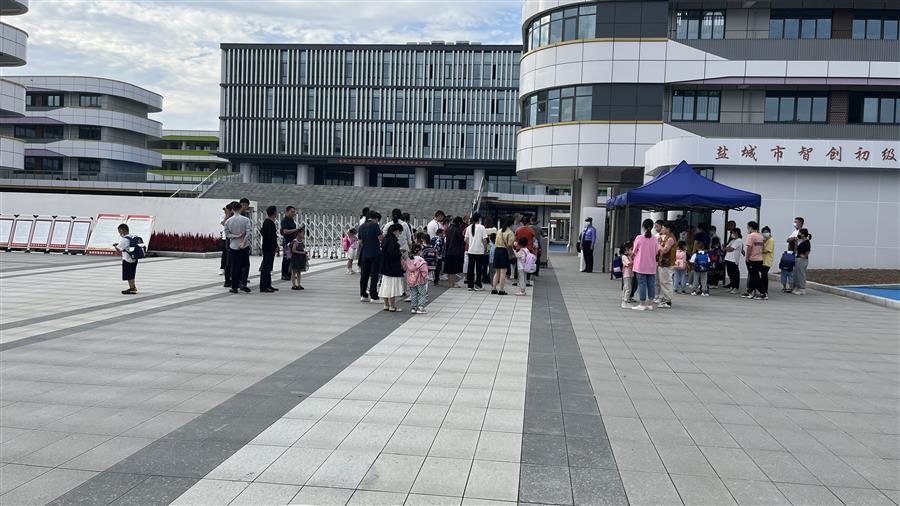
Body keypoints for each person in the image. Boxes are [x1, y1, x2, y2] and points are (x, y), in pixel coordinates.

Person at [224, 201, 252, 293]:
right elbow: (248, 232)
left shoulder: (228, 221)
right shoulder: (246, 219)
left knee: (234, 266)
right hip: (244, 245)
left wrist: (236, 236)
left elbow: (227, 234)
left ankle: (234, 287)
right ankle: (243, 283)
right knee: (246, 265)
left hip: (233, 245)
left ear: (232, 209)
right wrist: (243, 242)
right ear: (240, 208)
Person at [632, 219, 659, 311]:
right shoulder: (655, 238)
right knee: (651, 284)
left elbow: (634, 251)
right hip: (651, 265)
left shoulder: (639, 238)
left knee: (642, 284)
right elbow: (656, 251)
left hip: (640, 265)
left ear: (643, 226)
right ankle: (650, 304)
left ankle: (642, 304)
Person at [357, 211, 383, 302]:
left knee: (364, 275)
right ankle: (374, 296)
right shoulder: (375, 225)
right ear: (376, 219)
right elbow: (380, 238)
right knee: (374, 275)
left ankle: (363, 295)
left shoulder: (361, 227)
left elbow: (360, 242)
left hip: (365, 253)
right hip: (375, 253)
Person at [380, 223, 405, 311]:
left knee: (385, 286)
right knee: (392, 286)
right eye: (400, 232)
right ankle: (392, 306)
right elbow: (392, 253)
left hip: (385, 267)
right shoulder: (392, 240)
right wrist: (400, 253)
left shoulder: (386, 238)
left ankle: (386, 305)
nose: (400, 234)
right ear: (396, 231)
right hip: (392, 267)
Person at [463, 212, 489, 291]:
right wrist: (485, 249)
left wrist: (471, 244)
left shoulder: (468, 227)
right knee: (478, 268)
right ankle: (478, 284)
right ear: (479, 219)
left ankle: (470, 285)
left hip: (471, 251)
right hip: (479, 251)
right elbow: (484, 240)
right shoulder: (482, 227)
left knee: (470, 268)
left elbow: (465, 239)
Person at [404, 243, 430, 314]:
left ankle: (413, 308)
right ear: (419, 251)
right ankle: (420, 307)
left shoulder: (409, 260)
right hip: (420, 280)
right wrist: (426, 277)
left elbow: (405, 268)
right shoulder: (421, 260)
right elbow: (424, 271)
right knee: (422, 293)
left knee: (413, 294)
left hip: (411, 280)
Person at [492, 216, 515, 295]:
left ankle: (494, 288)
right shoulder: (510, 233)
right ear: (511, 224)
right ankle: (501, 290)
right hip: (504, 252)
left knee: (497, 272)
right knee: (503, 272)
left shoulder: (499, 230)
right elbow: (510, 245)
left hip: (497, 251)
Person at [656, 222, 676, 308]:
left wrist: (659, 244)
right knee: (664, 281)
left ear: (668, 229)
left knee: (666, 282)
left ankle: (667, 301)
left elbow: (665, 250)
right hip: (664, 263)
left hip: (666, 264)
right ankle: (665, 299)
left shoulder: (670, 239)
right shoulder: (667, 238)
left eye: (663, 228)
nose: (662, 229)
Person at [742, 221, 765, 299]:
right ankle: (749, 292)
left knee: (755, 277)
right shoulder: (760, 236)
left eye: (748, 227)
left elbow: (749, 248)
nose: (747, 229)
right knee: (753, 276)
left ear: (750, 227)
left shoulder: (751, 236)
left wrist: (747, 258)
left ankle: (763, 293)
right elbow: (762, 247)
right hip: (760, 259)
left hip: (752, 259)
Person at [259, 206, 279, 293]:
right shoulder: (268, 222)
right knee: (266, 267)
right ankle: (263, 286)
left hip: (269, 247)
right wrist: (275, 245)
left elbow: (263, 232)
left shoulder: (269, 222)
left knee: (269, 266)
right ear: (274, 213)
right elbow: (271, 237)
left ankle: (268, 284)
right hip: (268, 248)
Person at [115, 223, 138, 294]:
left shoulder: (125, 239)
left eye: (119, 231)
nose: (119, 233)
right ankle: (133, 287)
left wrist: (115, 246)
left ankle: (132, 289)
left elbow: (119, 249)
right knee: (132, 274)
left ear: (122, 230)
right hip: (134, 258)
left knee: (128, 275)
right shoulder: (133, 236)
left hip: (127, 259)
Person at [443, 216, 465, 288]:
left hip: (448, 251)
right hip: (455, 252)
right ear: (459, 222)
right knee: (453, 269)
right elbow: (461, 239)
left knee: (449, 269)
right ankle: (453, 283)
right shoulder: (457, 229)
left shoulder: (449, 228)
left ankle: (450, 283)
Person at [280, 206, 300, 281]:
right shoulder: (284, 221)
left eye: (294, 212)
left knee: (291, 258)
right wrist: (296, 230)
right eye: (292, 212)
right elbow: (285, 231)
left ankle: (289, 274)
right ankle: (284, 274)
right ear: (287, 212)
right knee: (286, 258)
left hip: (293, 241)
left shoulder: (292, 220)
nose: (293, 213)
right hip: (287, 242)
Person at [724, 228, 743, 294]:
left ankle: (736, 288)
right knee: (730, 274)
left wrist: (726, 248)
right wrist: (726, 248)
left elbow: (731, 249)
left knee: (735, 274)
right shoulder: (732, 241)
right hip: (728, 259)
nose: (731, 234)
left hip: (733, 260)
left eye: (732, 233)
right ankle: (732, 286)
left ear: (736, 233)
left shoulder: (739, 240)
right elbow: (726, 248)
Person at [759, 226, 775, 300]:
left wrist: (760, 250)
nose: (765, 233)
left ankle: (765, 291)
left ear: (769, 232)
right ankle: (763, 291)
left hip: (767, 261)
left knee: (764, 275)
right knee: (763, 275)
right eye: (763, 232)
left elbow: (767, 250)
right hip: (763, 260)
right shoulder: (765, 240)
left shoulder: (771, 240)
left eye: (766, 232)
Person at [793, 228, 811, 295]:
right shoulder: (801, 241)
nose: (798, 234)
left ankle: (802, 289)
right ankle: (796, 287)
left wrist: (805, 256)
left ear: (803, 234)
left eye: (800, 233)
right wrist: (796, 242)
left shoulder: (807, 242)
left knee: (801, 274)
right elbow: (795, 250)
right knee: (796, 274)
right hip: (798, 259)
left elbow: (808, 250)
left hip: (802, 260)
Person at [220, 205, 233, 286]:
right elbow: (223, 223)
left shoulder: (233, 217)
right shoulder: (223, 216)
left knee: (230, 257)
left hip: (232, 239)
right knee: (225, 254)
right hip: (225, 238)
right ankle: (222, 268)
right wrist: (227, 215)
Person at [620, 241, 635, 308]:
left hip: (629, 274)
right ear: (626, 249)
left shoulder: (628, 256)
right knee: (628, 288)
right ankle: (625, 301)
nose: (632, 251)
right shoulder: (624, 257)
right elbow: (629, 263)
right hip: (627, 274)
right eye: (631, 249)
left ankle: (624, 299)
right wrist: (635, 261)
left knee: (626, 287)